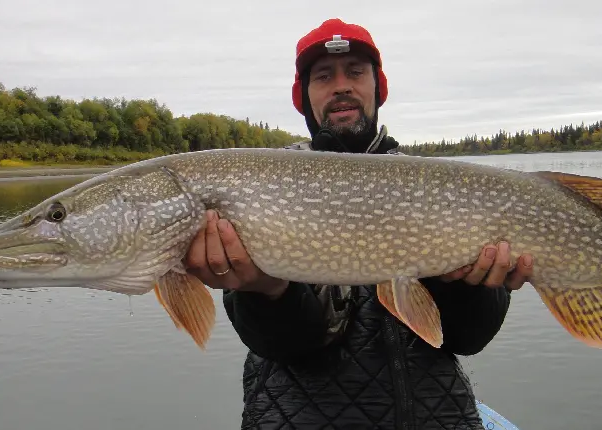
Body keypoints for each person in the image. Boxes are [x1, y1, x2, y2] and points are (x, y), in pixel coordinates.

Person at [184, 18, 534, 429]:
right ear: (305, 96)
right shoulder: (261, 187)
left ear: (376, 87)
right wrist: (267, 290)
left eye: (355, 72)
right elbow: (283, 344)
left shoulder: (435, 187)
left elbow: (469, 338)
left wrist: (464, 284)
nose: (341, 86)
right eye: (323, 76)